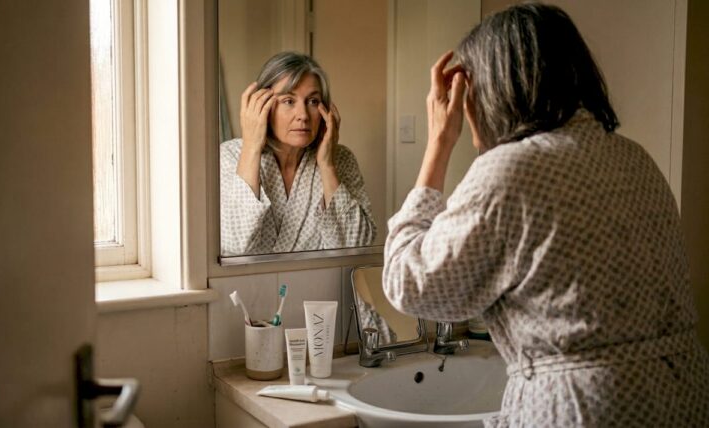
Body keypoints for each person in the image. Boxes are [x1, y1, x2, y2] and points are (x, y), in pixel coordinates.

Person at [382, 3, 708, 427]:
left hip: (587, 408)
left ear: (496, 89)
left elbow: (411, 284)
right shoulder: (633, 157)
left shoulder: (512, 169)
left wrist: (439, 143)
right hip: (685, 394)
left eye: (470, 93)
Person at [220, 52, 376, 256]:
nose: (303, 116)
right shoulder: (229, 156)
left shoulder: (340, 159)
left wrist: (327, 165)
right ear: (262, 106)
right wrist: (251, 147)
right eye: (288, 101)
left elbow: (357, 245)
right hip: (250, 287)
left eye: (312, 101)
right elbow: (236, 244)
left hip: (319, 286)